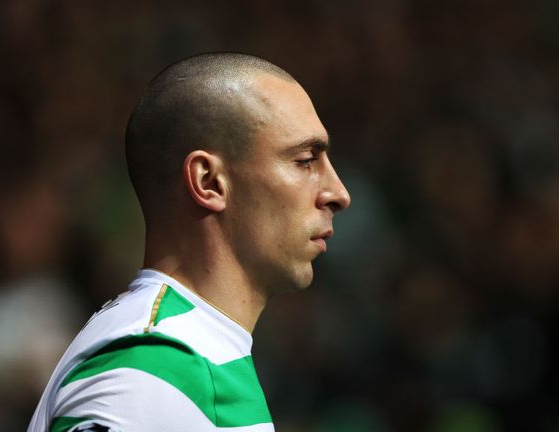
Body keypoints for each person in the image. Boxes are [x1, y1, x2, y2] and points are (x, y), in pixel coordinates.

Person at [28, 52, 350, 432]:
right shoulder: (151, 371)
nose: (338, 193)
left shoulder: (190, 355)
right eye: (305, 160)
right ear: (209, 182)